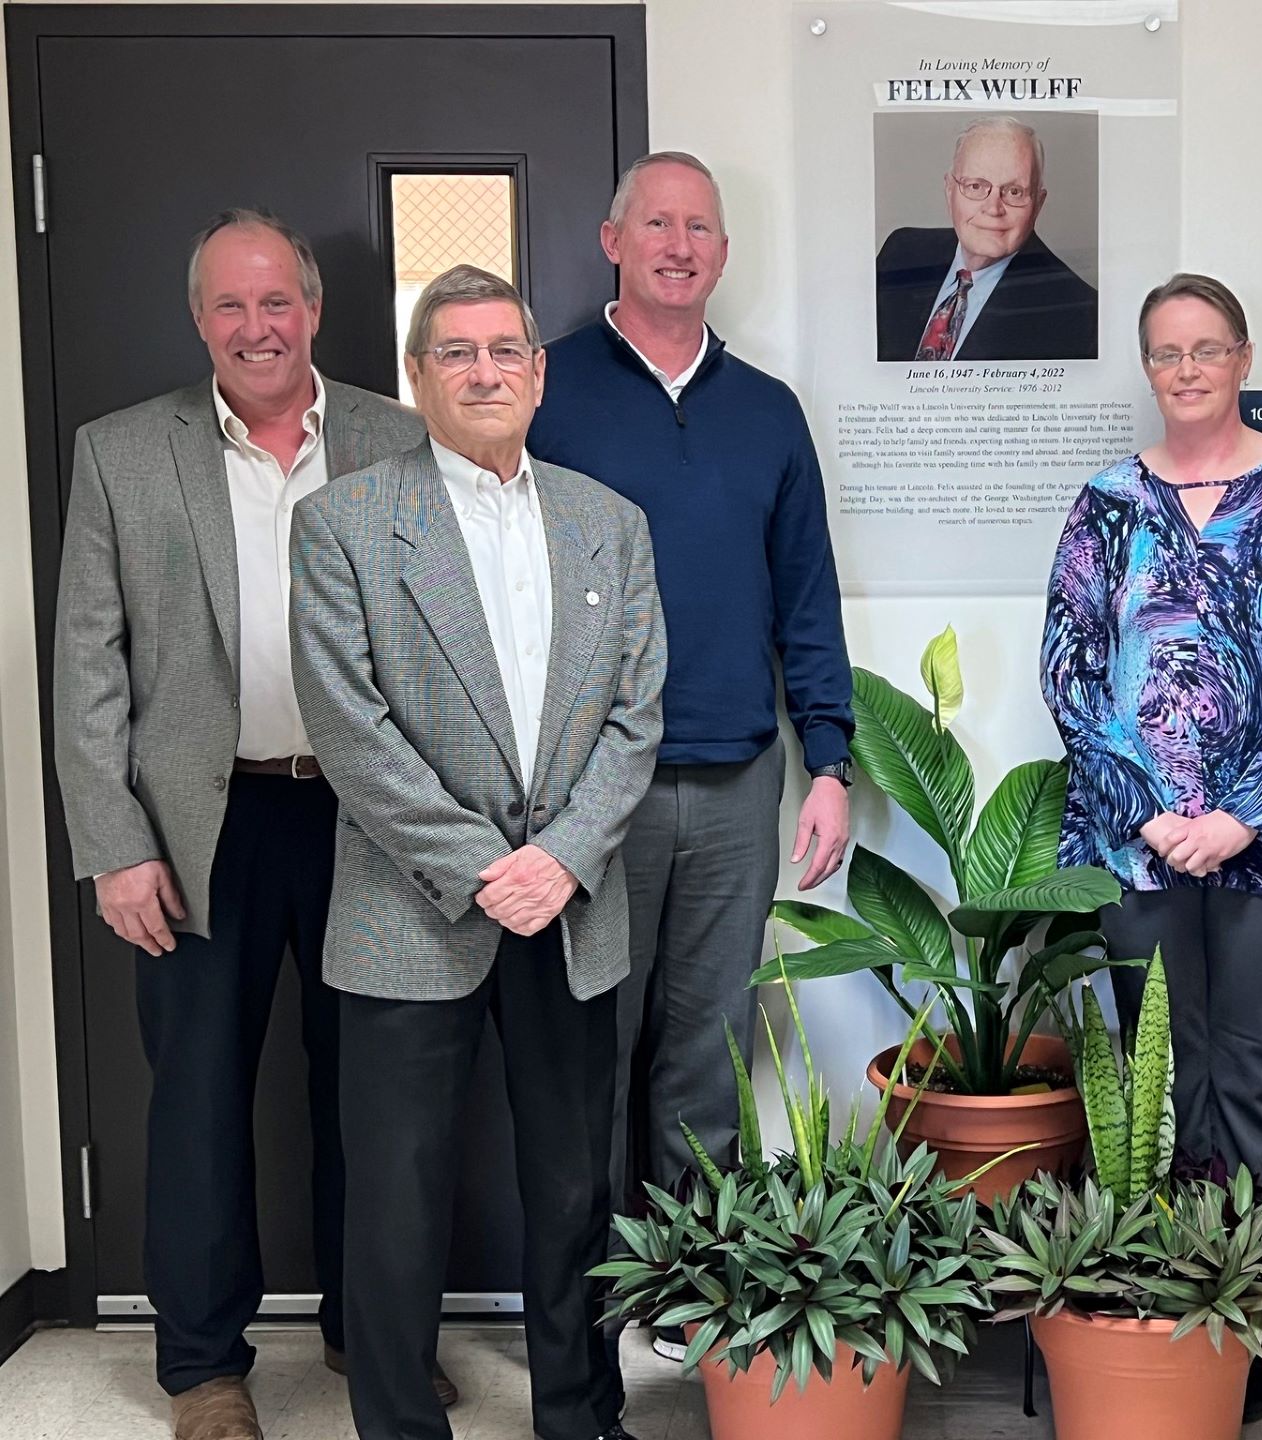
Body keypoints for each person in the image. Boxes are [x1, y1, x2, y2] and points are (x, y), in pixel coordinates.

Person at [50, 209, 433, 1440]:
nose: (257, 327)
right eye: (231, 306)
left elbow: (440, 642)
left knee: (374, 1094)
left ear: (314, 312)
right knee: (199, 1099)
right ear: (200, 319)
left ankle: (367, 1336)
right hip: (194, 830)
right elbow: (89, 669)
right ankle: (204, 1369)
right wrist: (112, 842)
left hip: (367, 822)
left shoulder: (396, 435)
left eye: (278, 303)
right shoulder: (120, 453)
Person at [289, 265, 665, 1440]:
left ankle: (579, 1411)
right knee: (395, 1197)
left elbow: (634, 714)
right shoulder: (345, 522)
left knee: (569, 1187)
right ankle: (399, 1422)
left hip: (571, 905)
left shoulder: (610, 522)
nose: (485, 371)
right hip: (410, 909)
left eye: (506, 349)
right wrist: (480, 865)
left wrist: (560, 858)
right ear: (418, 375)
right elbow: (351, 729)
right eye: (456, 353)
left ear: (539, 372)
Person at [526, 151, 854, 1362]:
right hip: (579, 798)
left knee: (705, 1054)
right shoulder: (548, 389)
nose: (679, 244)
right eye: (656, 223)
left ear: (722, 253)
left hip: (731, 782)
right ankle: (575, 1319)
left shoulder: (766, 410)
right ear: (612, 239)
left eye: (700, 227)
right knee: (585, 1057)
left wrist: (831, 760)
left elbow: (805, 597)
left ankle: (686, 1293)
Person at [1040, 273, 1262, 1425]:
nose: (1185, 370)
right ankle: (1175, 1302)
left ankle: (1254, 1324)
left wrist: (1246, 811)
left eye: (1205, 350)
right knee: (1164, 1084)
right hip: (1137, 844)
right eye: (1165, 352)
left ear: (1241, 355)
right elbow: (1070, 670)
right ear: (1148, 364)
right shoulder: (1105, 500)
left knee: (1259, 1076)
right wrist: (1153, 808)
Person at [876, 115, 1097, 361]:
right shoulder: (900, 253)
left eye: (1014, 191)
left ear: (1038, 204)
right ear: (949, 191)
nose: (993, 209)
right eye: (975, 187)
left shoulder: (1080, 314)